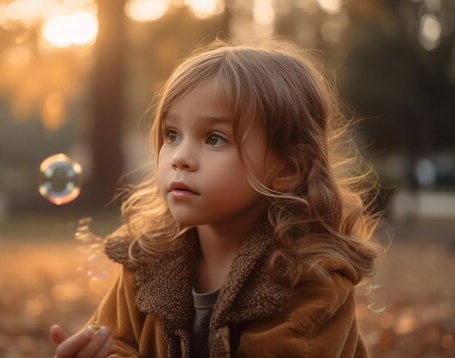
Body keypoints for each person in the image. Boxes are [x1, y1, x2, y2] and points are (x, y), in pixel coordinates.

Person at [50, 39, 385, 357]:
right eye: (172, 134)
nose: (180, 157)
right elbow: (117, 342)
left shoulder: (310, 278)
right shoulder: (147, 259)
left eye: (214, 138)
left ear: (288, 167)